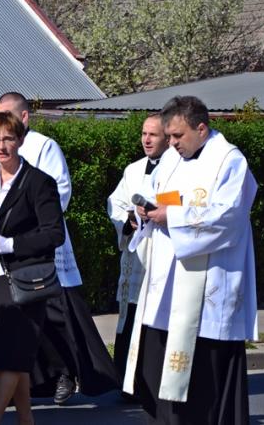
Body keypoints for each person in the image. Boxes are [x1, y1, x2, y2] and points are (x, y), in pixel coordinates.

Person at [0, 92, 116, 406]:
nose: (1, 141)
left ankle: (63, 373)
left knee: (49, 318)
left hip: (31, 253)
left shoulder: (44, 146)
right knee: (0, 326)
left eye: (8, 120)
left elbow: (57, 193)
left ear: (23, 119)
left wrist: (21, 232)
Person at [124, 95, 258, 424]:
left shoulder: (229, 161)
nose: (171, 143)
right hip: (166, 283)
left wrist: (172, 216)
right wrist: (144, 212)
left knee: (203, 383)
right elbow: (157, 196)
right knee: (159, 370)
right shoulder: (172, 159)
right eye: (169, 136)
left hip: (209, 283)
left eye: (177, 135)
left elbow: (228, 218)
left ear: (201, 128)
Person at [0, 111, 65, 425]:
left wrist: (13, 244)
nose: (2, 146)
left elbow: (55, 234)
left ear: (20, 140)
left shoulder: (38, 182)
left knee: (12, 356)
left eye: (9, 138)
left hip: (24, 278)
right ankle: (26, 419)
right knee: (9, 357)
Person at [106, 114, 167, 387]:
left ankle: (150, 382)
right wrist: (128, 219)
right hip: (136, 254)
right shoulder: (133, 170)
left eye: (153, 134)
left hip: (160, 254)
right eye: (144, 134)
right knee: (131, 315)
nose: (146, 140)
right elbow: (115, 203)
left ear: (167, 138)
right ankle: (126, 382)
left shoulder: (177, 169)